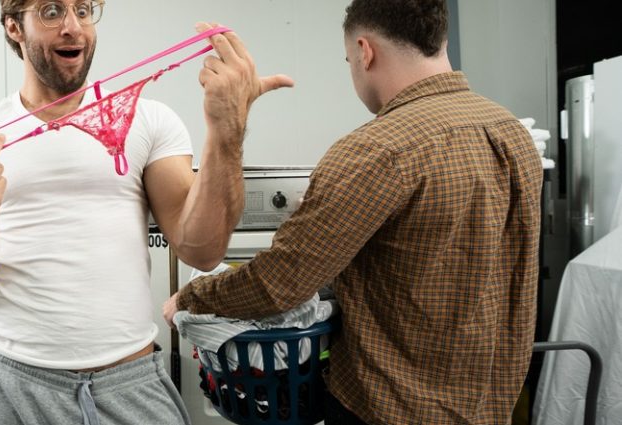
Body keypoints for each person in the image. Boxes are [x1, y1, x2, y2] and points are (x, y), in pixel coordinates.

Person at [0, 1, 293, 424]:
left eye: (83, 9)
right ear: (14, 27)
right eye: (52, 11)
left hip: (130, 384)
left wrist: (227, 130)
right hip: (14, 386)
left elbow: (201, 251)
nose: (73, 27)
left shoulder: (150, 120)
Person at [163, 0, 542, 424]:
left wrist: (192, 297)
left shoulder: (377, 150)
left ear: (365, 51)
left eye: (348, 61)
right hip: (491, 407)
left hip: (391, 410)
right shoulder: (512, 134)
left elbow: (279, 284)